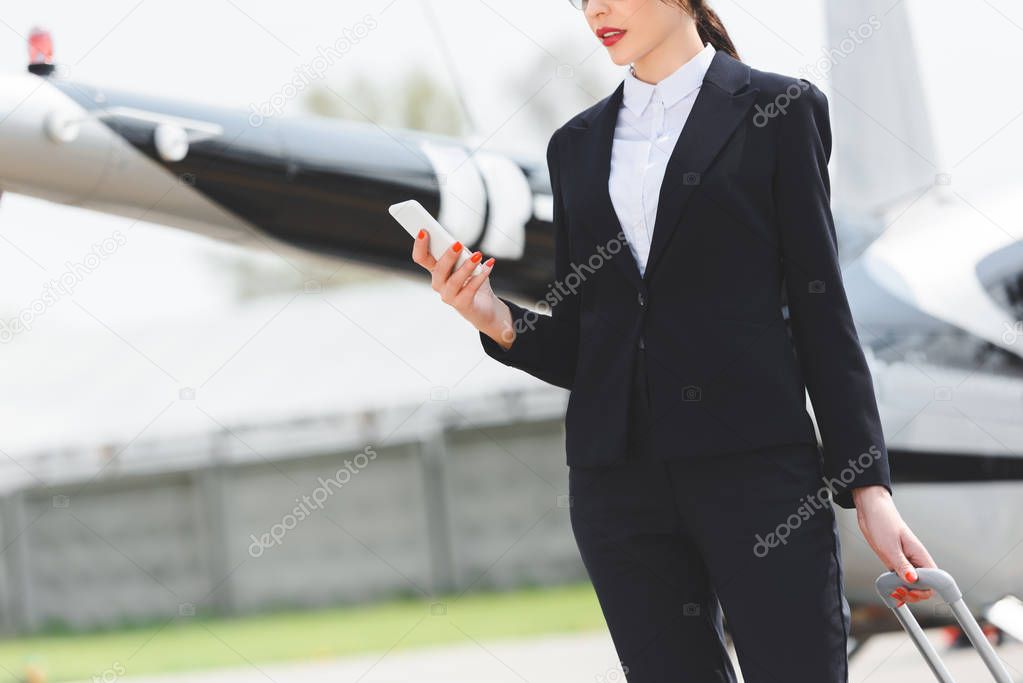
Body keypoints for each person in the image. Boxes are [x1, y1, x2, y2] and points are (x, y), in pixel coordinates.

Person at [412, 1, 936, 680]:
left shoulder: (779, 110)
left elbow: (819, 309)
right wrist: (493, 316)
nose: (594, 9)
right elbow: (589, 341)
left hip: (757, 478)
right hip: (618, 490)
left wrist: (868, 488)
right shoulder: (575, 144)